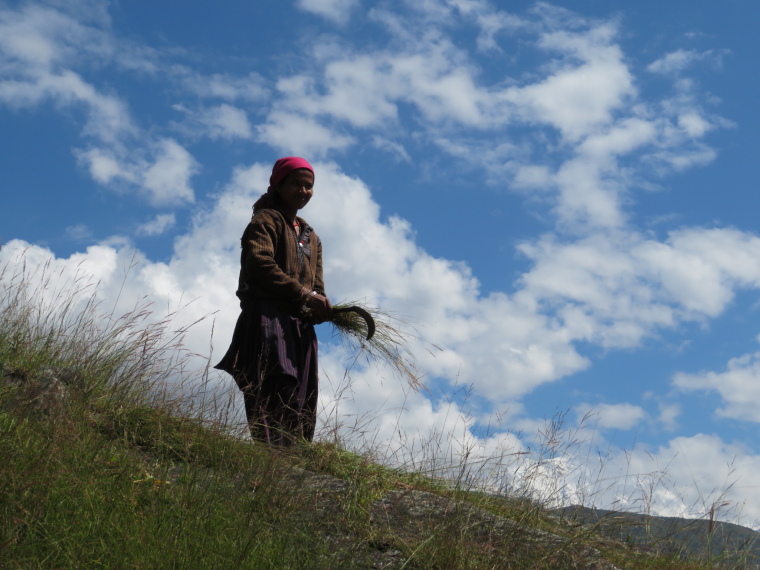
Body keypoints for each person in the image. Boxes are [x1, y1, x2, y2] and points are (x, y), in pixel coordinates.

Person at [215, 157, 332, 447]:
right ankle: (271, 456)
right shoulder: (265, 221)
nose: (303, 191)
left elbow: (316, 284)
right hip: (267, 316)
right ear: (277, 185)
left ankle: (295, 458)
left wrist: (320, 306)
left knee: (303, 393)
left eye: (309, 186)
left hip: (299, 324)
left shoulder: (311, 237)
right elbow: (259, 263)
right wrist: (304, 294)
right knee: (278, 382)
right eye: (296, 184)